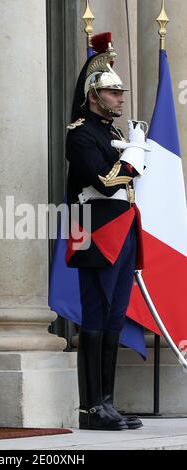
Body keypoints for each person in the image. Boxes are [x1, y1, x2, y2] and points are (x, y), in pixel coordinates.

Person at [66, 33, 146, 431]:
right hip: (96, 234)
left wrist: (131, 148)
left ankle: (108, 402)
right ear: (94, 95)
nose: (120, 98)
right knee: (96, 317)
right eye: (113, 92)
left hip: (124, 231)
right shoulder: (81, 133)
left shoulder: (113, 134)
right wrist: (133, 155)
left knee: (114, 316)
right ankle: (90, 407)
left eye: (120, 92)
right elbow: (103, 181)